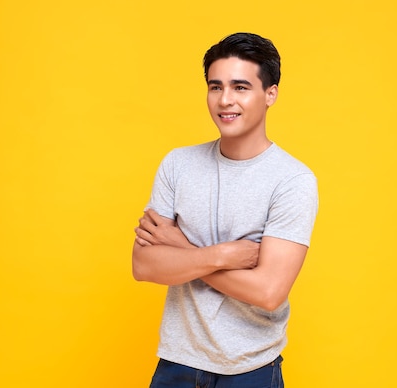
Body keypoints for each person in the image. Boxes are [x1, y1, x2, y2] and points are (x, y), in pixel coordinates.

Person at [132, 32, 319, 388]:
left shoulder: (293, 180)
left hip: (251, 370)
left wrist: (184, 250)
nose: (225, 100)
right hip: (176, 365)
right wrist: (225, 254)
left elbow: (268, 292)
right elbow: (143, 266)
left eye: (240, 87)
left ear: (270, 94)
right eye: (215, 87)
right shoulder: (178, 164)